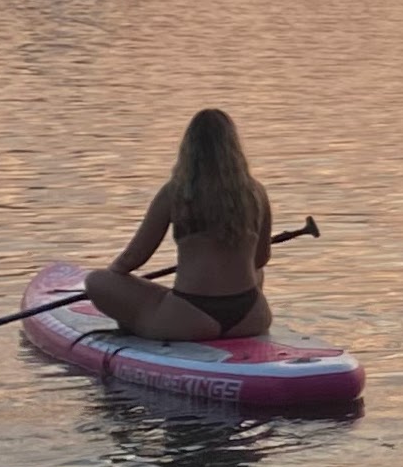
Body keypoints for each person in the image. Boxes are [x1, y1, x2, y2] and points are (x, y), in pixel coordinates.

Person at [84, 109, 278, 345]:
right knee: (256, 275)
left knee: (96, 280)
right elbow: (260, 260)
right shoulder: (256, 193)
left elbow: (133, 258)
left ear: (189, 148)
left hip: (190, 318)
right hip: (251, 316)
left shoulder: (175, 192)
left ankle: (136, 325)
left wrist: (116, 279)